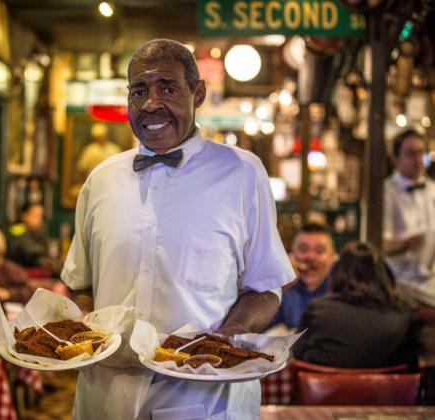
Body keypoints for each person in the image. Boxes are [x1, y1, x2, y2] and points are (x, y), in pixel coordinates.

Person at [61, 39, 294, 419]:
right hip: (106, 398)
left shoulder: (243, 174)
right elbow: (81, 283)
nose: (151, 103)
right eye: (139, 91)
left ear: (197, 94)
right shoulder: (101, 180)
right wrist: (86, 330)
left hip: (204, 398)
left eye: (167, 88)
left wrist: (223, 338)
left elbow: (266, 289)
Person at [293, 242, 417, 369]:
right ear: (384, 275)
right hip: (386, 388)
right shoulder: (403, 313)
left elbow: (297, 355)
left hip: (325, 387)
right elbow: (411, 364)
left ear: (337, 273)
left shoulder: (318, 309)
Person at [383, 129, 435, 281]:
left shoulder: (432, 190)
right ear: (396, 158)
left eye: (420, 153)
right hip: (399, 280)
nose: (418, 159)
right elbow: (379, 244)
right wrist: (406, 243)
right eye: (411, 154)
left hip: (431, 280)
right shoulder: (386, 193)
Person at [270, 222, 336, 329]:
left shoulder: (340, 291)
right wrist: (280, 288)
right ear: (291, 253)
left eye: (319, 251)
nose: (310, 257)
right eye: (303, 249)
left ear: (332, 257)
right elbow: (258, 330)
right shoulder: (282, 287)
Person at [8, 202, 55, 272]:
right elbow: (31, 253)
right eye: (36, 216)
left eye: (41, 216)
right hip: (18, 274)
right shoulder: (17, 229)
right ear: (24, 216)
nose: (40, 220)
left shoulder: (38, 233)